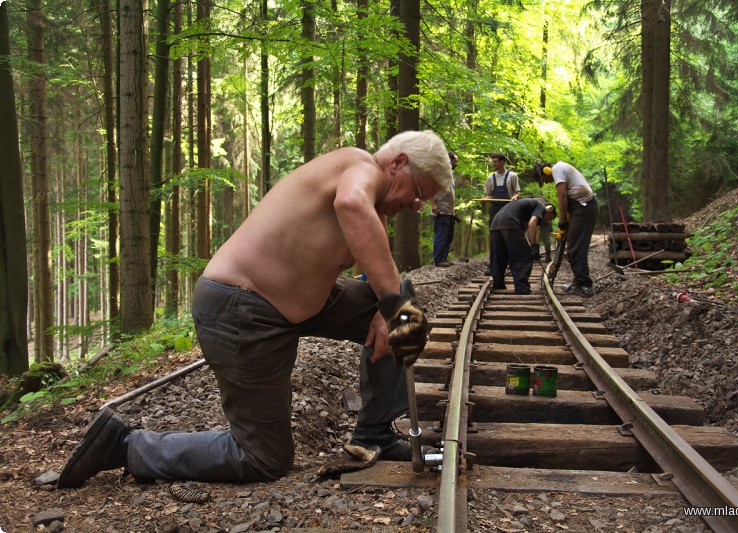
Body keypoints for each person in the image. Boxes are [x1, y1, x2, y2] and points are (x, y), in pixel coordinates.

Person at [57, 130, 453, 488]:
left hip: (291, 306)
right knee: (263, 459)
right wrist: (393, 306)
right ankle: (125, 445)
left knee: (400, 300)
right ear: (398, 162)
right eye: (419, 191)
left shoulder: (375, 211)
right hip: (240, 310)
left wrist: (385, 307)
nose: (417, 206)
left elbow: (376, 271)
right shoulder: (359, 166)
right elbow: (350, 202)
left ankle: (375, 434)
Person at [535, 161, 598, 294]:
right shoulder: (562, 168)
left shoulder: (557, 169)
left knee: (576, 247)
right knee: (574, 247)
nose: (546, 182)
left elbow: (562, 195)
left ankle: (584, 285)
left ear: (547, 170)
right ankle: (579, 282)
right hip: (581, 208)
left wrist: (562, 219)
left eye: (544, 179)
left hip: (584, 208)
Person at [489, 198, 556, 295]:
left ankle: (498, 284)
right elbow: (532, 224)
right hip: (509, 223)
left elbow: (523, 232)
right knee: (523, 257)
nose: (547, 221)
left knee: (500, 256)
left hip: (495, 224)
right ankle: (522, 288)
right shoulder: (541, 207)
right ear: (549, 211)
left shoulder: (526, 208)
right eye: (550, 218)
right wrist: (533, 246)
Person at [483, 153, 520, 275]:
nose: (493, 164)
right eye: (492, 162)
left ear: (502, 162)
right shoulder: (490, 177)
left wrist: (515, 197)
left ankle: (510, 265)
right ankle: (493, 266)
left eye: (496, 162)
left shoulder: (512, 176)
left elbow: (517, 193)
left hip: (508, 209)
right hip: (494, 210)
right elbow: (489, 194)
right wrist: (486, 200)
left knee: (508, 238)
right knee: (494, 238)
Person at [431, 152, 459, 267]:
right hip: (441, 209)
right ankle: (438, 259)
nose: (456, 163)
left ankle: (443, 258)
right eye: (455, 161)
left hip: (449, 210)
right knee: (441, 235)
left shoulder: (449, 174)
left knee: (448, 236)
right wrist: (433, 204)